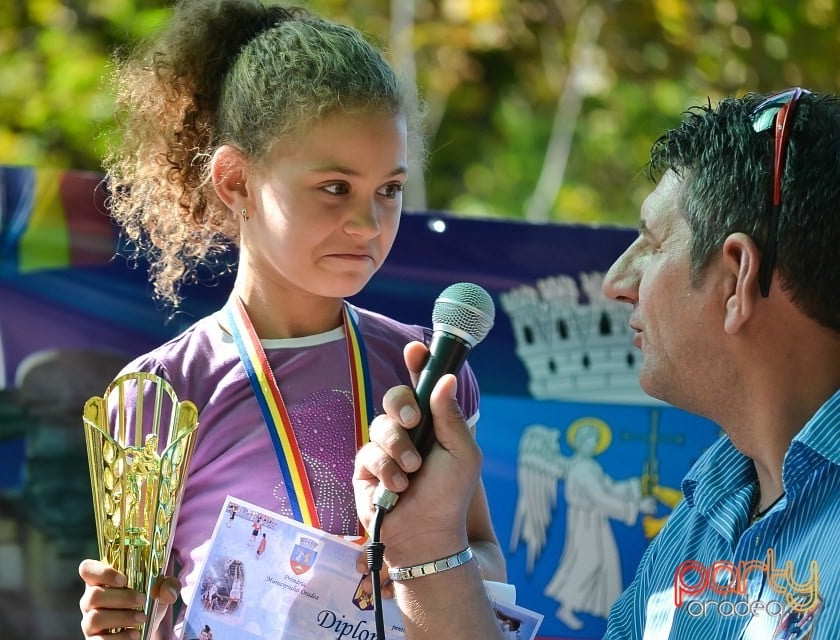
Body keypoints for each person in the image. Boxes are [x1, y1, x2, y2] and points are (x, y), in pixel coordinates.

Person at [77, 1, 506, 638]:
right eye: (335, 186)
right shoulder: (160, 393)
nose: (367, 224)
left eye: (388, 189)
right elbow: (142, 604)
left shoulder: (426, 371)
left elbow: (487, 559)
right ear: (236, 181)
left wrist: (425, 567)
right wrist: (115, 622)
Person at [353, 88, 840, 638]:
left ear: (737, 279)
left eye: (652, 245)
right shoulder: (705, 514)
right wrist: (427, 544)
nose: (616, 282)